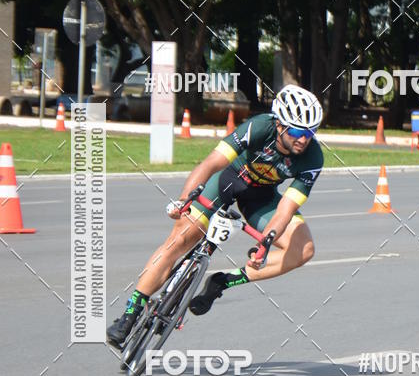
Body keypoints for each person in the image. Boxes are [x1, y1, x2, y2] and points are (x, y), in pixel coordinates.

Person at [106, 84, 324, 347]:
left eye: (311, 132)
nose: (304, 139)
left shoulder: (313, 157)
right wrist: (185, 199)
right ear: (280, 125)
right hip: (229, 179)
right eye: (298, 131)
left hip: (261, 197)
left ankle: (222, 281)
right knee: (181, 238)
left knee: (304, 249)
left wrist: (266, 243)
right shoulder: (259, 127)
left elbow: (286, 208)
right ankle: (132, 311)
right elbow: (211, 164)